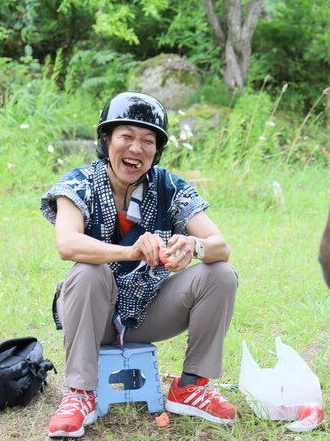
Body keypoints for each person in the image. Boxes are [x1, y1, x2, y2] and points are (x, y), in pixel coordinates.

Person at [40, 92, 238, 438]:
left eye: (148, 141)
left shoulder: (169, 187)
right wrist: (130, 251)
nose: (136, 148)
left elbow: (221, 246)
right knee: (89, 270)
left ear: (156, 151)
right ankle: (80, 394)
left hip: (148, 313)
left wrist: (194, 245)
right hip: (92, 316)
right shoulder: (78, 182)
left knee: (220, 273)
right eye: (126, 136)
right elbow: (67, 244)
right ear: (106, 140)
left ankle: (191, 386)